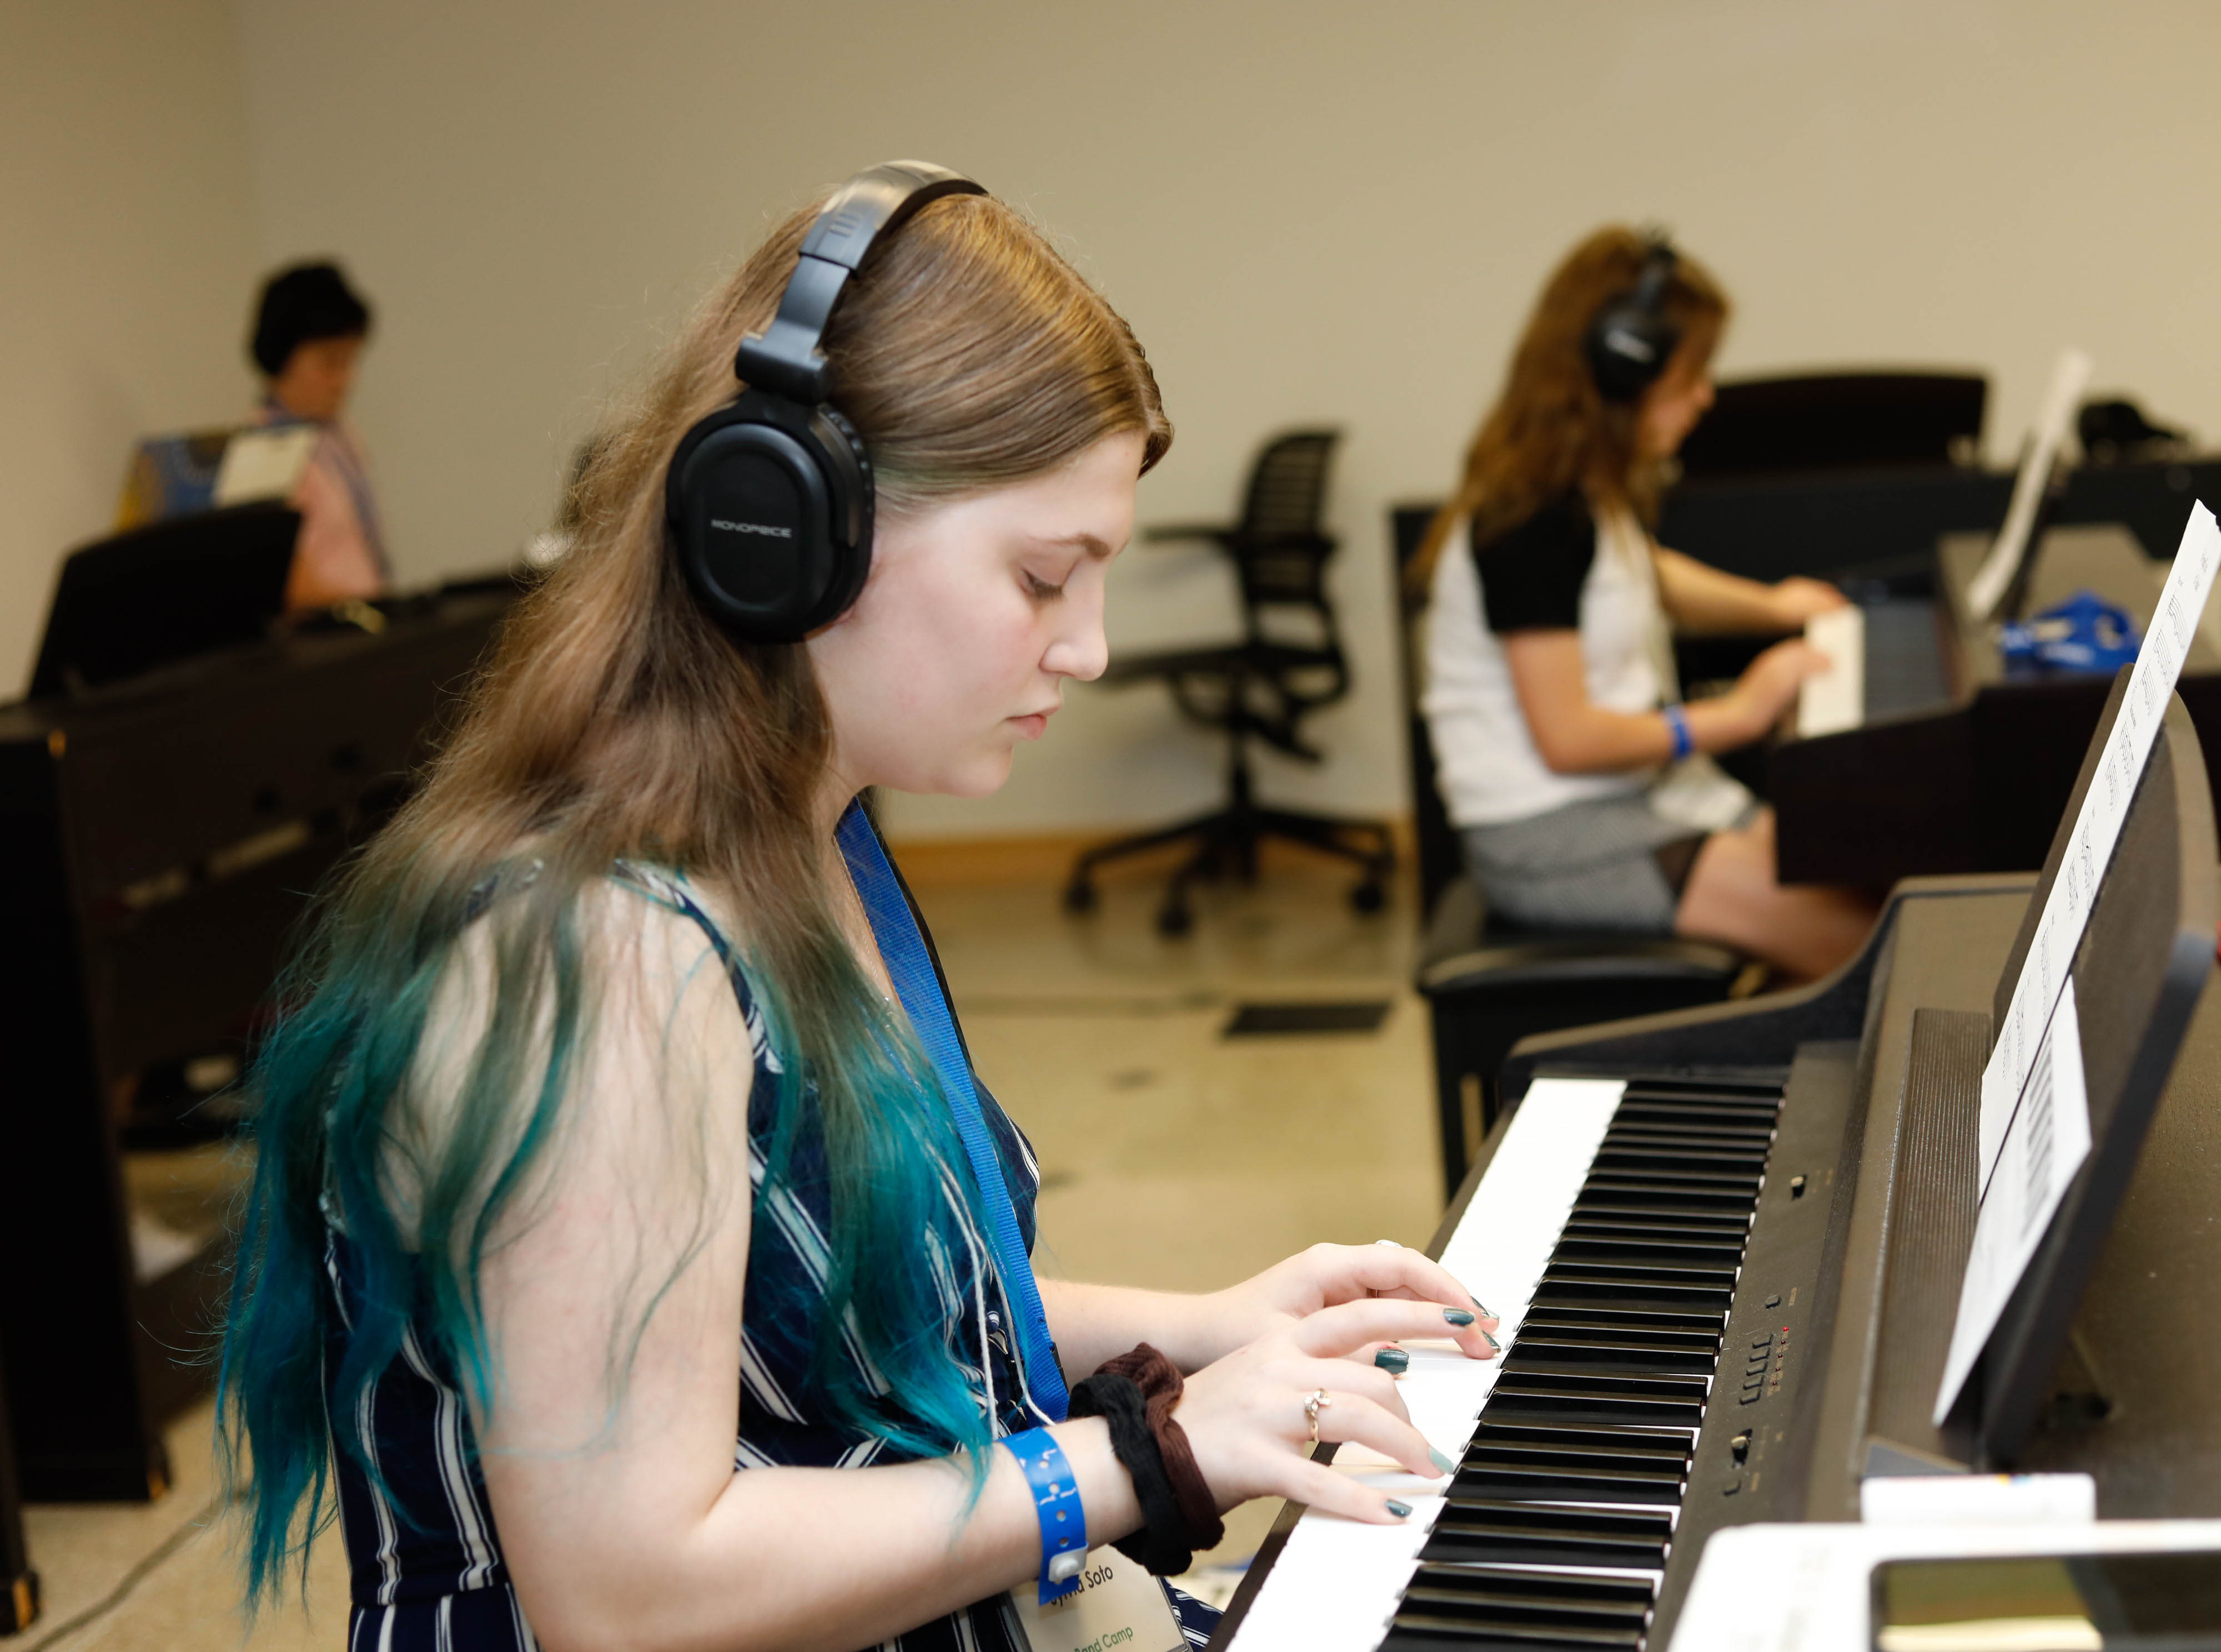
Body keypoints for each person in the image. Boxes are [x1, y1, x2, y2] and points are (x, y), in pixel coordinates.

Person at [218, 165, 1498, 1652]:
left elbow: (855, 1321)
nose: (1085, 651)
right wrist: (1150, 1455)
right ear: (790, 529)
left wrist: (1206, 1326)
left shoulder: (812, 840)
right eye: (1042, 577)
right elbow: (631, 1593)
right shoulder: (603, 951)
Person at [1417, 226, 1877, 980]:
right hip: (1549, 836)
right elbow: (1568, 738)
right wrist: (1742, 711)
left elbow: (1644, 576)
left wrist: (1774, 606)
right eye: (1692, 374)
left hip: (1626, 803)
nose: (1706, 396)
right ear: (1621, 368)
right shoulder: (1530, 515)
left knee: (1861, 885)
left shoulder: (1584, 492)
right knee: (1861, 947)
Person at [249, 260, 391, 611]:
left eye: (351, 361)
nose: (346, 379)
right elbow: (285, 583)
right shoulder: (260, 452)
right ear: (281, 355)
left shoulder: (340, 433)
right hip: (328, 633)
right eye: (331, 362)